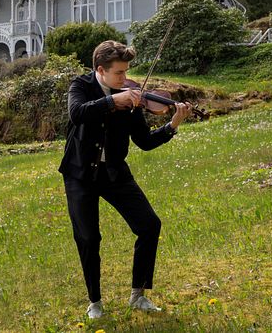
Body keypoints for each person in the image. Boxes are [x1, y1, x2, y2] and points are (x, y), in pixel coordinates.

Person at [59, 40, 192, 319]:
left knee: (149, 225)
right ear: (100, 70)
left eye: (126, 72)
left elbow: (143, 141)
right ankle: (95, 302)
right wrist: (111, 101)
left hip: (115, 172)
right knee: (88, 237)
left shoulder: (132, 97)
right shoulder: (80, 86)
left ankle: (138, 295)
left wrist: (172, 126)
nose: (125, 79)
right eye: (119, 73)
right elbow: (77, 113)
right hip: (80, 173)